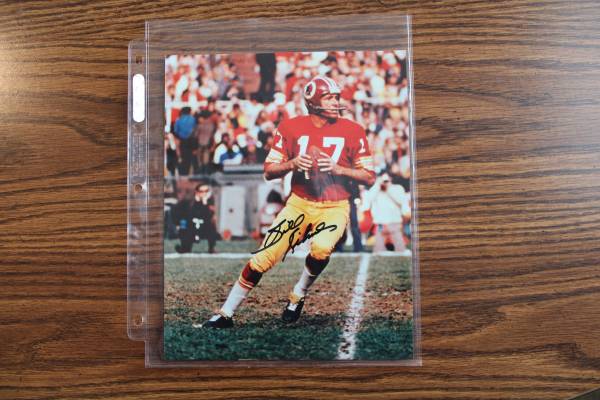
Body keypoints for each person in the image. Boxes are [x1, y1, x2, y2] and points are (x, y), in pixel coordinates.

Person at [199, 76, 376, 329]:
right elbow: (269, 171)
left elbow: (369, 177)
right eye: (329, 97)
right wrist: (292, 163)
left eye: (337, 97)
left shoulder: (353, 130)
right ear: (313, 102)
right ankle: (226, 313)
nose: (336, 102)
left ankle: (298, 294)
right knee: (263, 257)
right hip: (299, 204)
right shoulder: (291, 127)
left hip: (335, 205)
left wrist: (339, 169)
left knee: (321, 249)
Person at [363, 173, 411, 253]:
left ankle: (401, 256)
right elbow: (369, 199)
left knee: (400, 247)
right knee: (378, 249)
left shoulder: (397, 188)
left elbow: (400, 201)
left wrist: (388, 189)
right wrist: (377, 185)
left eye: (386, 180)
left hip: (394, 222)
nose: (384, 182)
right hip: (380, 223)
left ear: (390, 179)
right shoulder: (376, 189)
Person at [173, 183, 218, 254]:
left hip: (202, 226)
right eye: (202, 191)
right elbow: (179, 212)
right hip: (190, 226)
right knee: (185, 229)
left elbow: (209, 216)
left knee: (211, 226)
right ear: (197, 192)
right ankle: (184, 247)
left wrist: (205, 204)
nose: (204, 193)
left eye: (206, 191)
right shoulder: (188, 201)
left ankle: (211, 248)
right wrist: (178, 224)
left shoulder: (209, 201)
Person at [173, 107, 197, 175]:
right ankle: (187, 172)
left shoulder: (178, 119)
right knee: (189, 157)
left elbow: (176, 131)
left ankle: (182, 172)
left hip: (182, 140)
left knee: (182, 156)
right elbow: (195, 129)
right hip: (191, 140)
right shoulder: (193, 119)